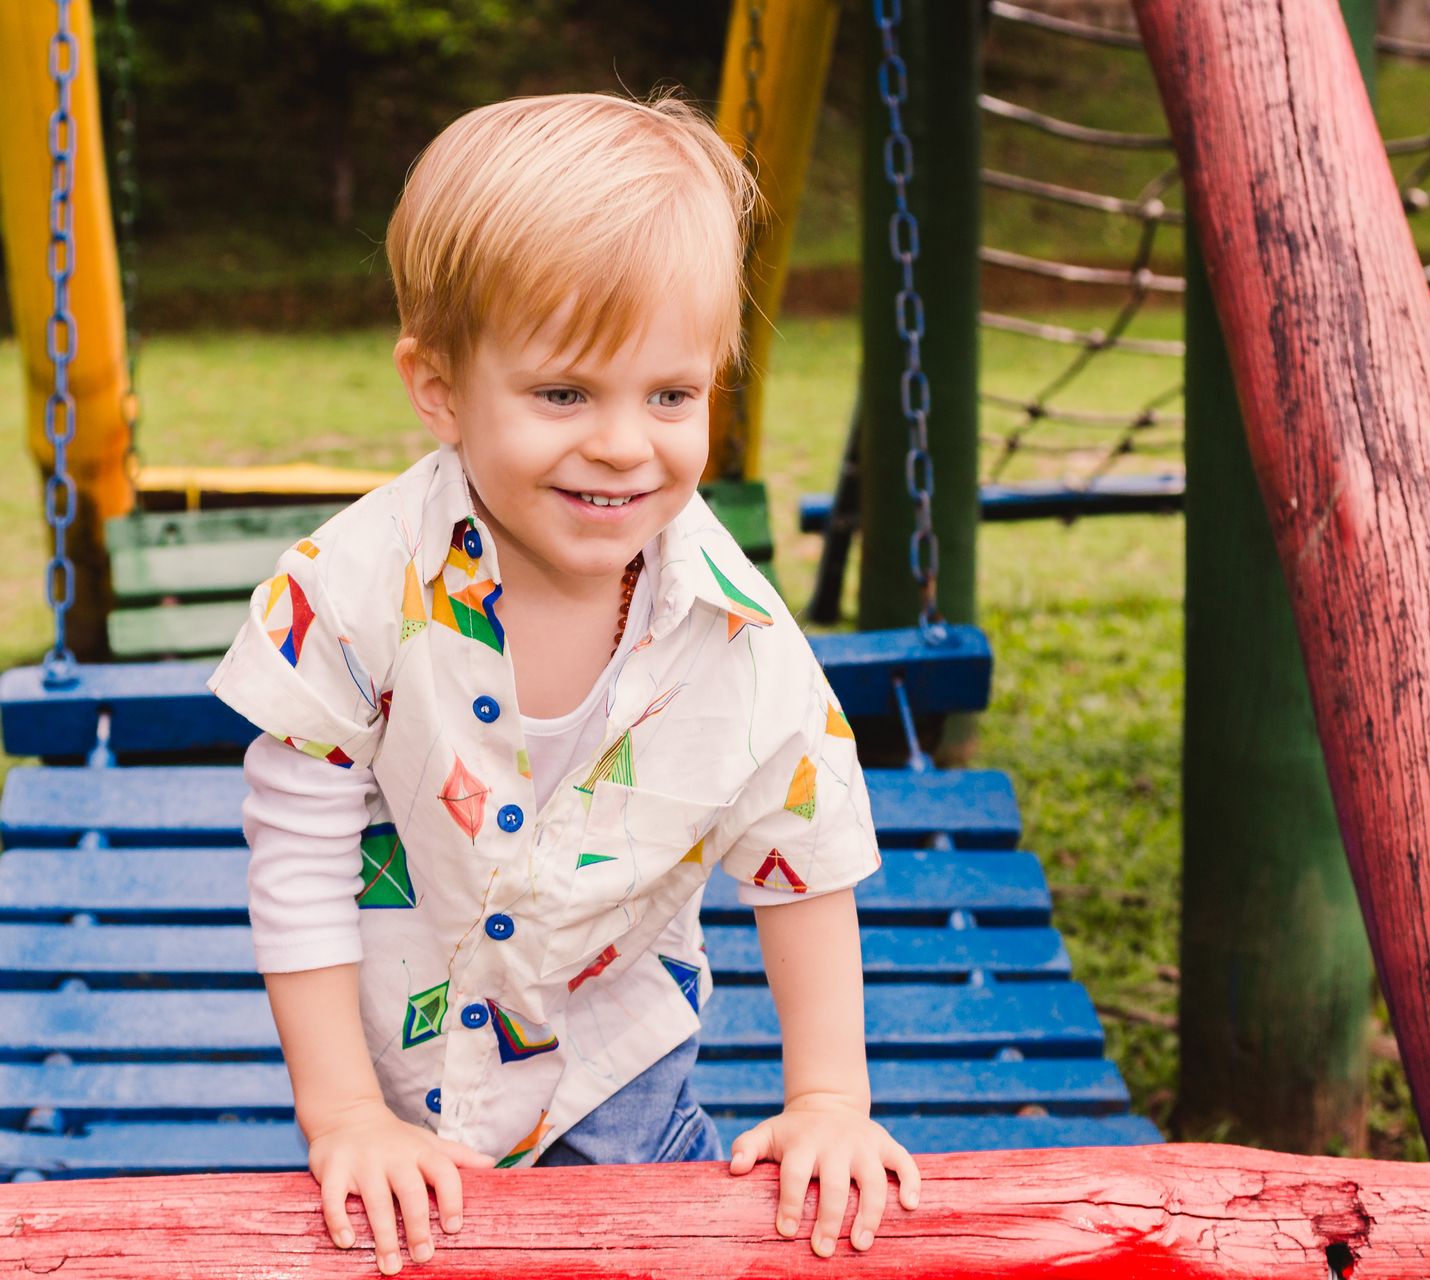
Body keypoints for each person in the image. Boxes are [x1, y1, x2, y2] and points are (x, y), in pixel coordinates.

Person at [207, 91, 920, 1276]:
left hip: (618, 1071)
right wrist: (344, 1118)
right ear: (439, 388)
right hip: (402, 1082)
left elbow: (807, 843)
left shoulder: (732, 628)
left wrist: (831, 1098)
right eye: (564, 394)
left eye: (671, 395)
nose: (625, 444)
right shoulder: (347, 594)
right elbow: (297, 855)